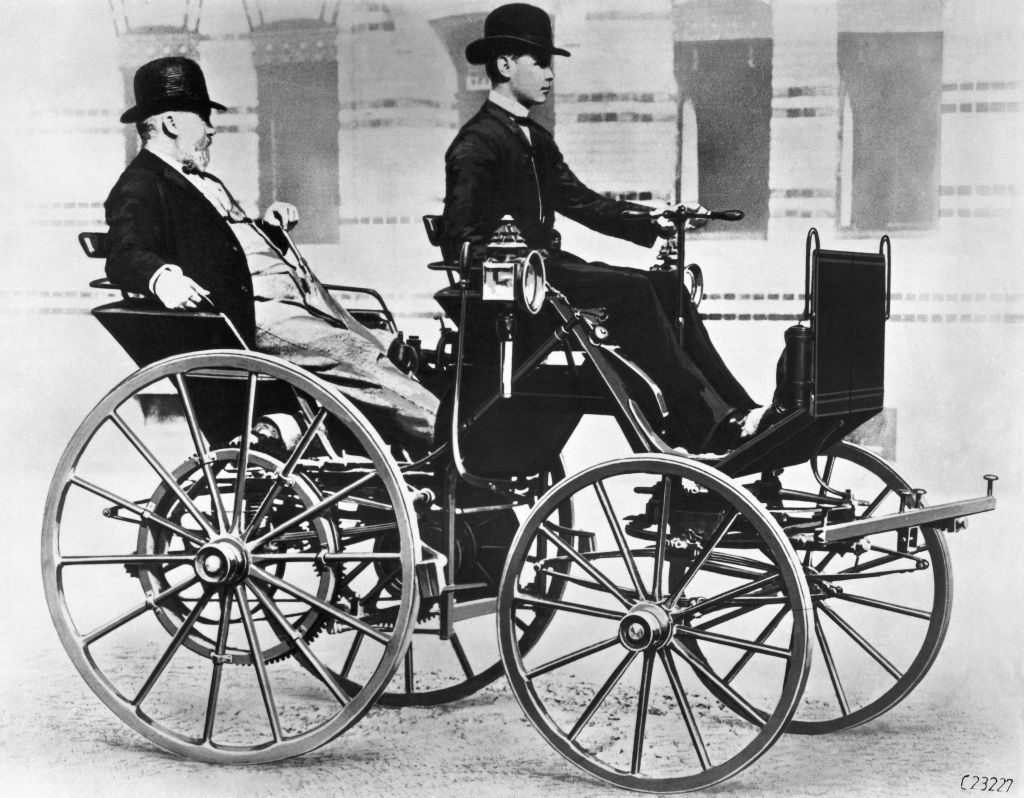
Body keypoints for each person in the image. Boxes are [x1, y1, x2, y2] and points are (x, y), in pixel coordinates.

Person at [442, 3, 781, 454]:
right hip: (520, 290)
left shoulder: (535, 139)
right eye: (539, 62)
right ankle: (703, 421)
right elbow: (459, 241)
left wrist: (655, 219)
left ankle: (740, 411)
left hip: (552, 274)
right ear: (505, 65)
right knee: (632, 291)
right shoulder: (476, 144)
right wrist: (514, 271)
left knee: (667, 288)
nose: (550, 74)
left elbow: (582, 203)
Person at [105, 57, 438, 455]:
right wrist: (162, 278)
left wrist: (269, 230)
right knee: (356, 356)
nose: (212, 129)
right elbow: (124, 253)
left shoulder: (203, 181)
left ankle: (412, 440)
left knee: (387, 345)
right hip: (254, 316)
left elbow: (226, 248)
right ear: (172, 122)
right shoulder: (141, 184)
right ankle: (444, 436)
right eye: (203, 118)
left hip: (301, 301)